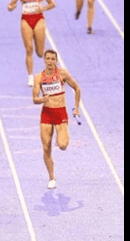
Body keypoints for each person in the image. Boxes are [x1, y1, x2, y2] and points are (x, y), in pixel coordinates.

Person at [33, 50, 81, 189]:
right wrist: (42, 99)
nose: (50, 61)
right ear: (44, 60)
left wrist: (76, 108)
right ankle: (51, 177)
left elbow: (77, 88)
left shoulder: (62, 74)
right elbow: (35, 98)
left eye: (52, 59)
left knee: (63, 146)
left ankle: (62, 134)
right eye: (47, 58)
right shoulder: (38, 78)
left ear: (56, 60)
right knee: (46, 147)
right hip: (47, 114)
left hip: (60, 113)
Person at [8, 0, 56, 87]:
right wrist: (11, 7)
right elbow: (11, 4)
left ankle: (49, 71)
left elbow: (52, 3)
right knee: (29, 49)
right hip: (26, 20)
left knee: (40, 53)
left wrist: (42, 9)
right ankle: (30, 76)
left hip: (38, 19)